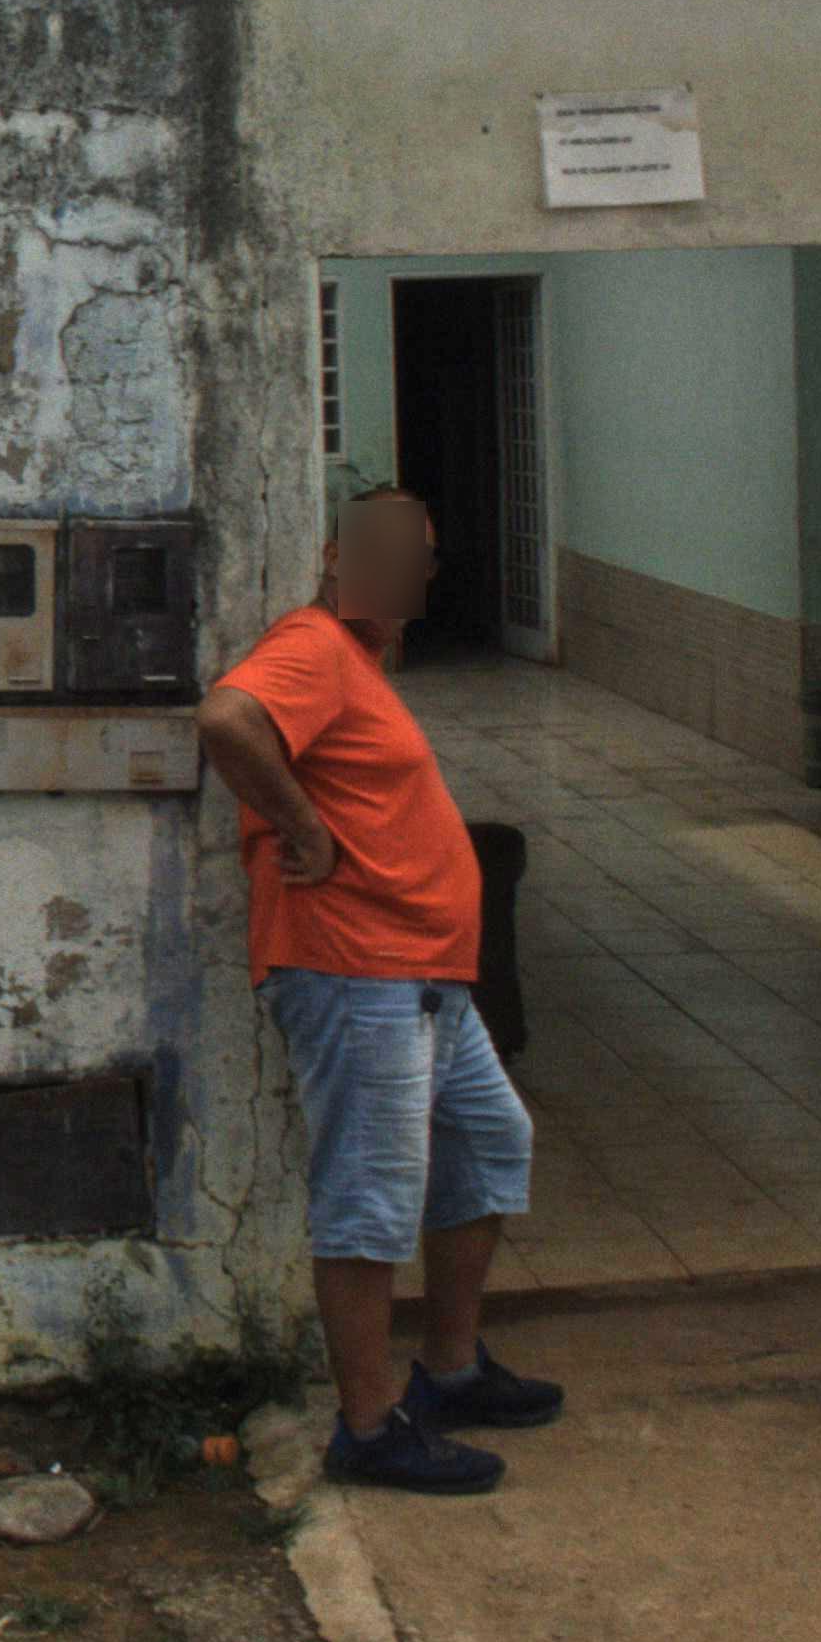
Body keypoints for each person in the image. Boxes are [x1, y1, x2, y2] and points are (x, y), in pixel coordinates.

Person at [196, 485, 559, 1495]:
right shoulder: (313, 645)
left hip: (422, 977)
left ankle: (449, 1370)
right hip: (358, 972)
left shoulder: (359, 662)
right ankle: (367, 1427)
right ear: (334, 558)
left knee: (489, 1145)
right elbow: (226, 719)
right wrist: (302, 828)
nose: (398, 573)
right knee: (369, 1197)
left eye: (416, 556)